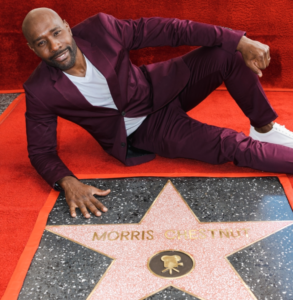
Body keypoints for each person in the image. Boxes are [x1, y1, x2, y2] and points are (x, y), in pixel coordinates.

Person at [22, 8, 293, 219]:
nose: (55, 46)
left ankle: (264, 128)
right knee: (230, 145)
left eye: (56, 33)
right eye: (42, 42)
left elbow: (173, 30)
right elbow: (40, 152)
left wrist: (240, 40)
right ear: (33, 49)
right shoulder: (40, 90)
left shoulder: (100, 29)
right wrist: (67, 182)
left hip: (159, 86)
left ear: (68, 28)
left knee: (229, 53)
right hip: (145, 128)